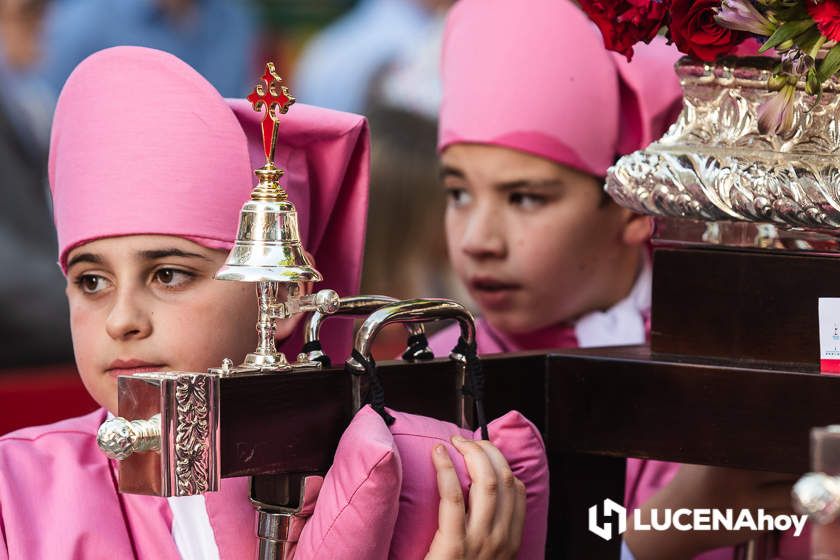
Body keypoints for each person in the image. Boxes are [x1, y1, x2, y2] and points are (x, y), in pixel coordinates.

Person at [0, 46, 523, 559]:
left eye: (169, 275)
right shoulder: (14, 491)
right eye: (91, 282)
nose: (121, 320)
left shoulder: (404, 479)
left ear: (285, 299)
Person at [430, 1, 805, 558]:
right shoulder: (438, 377)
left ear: (635, 205)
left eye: (525, 197)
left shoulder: (726, 361)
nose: (478, 239)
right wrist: (655, 537)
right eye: (458, 192)